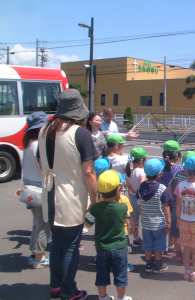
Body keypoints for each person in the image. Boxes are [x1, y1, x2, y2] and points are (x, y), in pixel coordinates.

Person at [38, 89, 97, 300]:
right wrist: (96, 197)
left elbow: (40, 162)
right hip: (70, 196)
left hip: (49, 193)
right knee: (71, 246)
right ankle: (68, 290)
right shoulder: (80, 134)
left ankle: (55, 286)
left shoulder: (44, 130)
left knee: (57, 245)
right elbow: (89, 172)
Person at [90, 170, 132, 300]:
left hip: (102, 247)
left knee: (102, 275)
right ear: (118, 189)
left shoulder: (95, 208)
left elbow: (87, 222)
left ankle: (102, 297)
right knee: (120, 275)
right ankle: (121, 297)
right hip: (119, 246)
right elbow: (128, 224)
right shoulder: (122, 208)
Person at [21, 111, 51, 269]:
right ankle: (39, 258)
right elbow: (44, 169)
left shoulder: (27, 143)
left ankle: (35, 253)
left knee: (36, 223)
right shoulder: (39, 144)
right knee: (42, 225)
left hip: (29, 189)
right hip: (40, 189)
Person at [138, 158, 171, 273]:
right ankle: (158, 264)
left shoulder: (141, 187)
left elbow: (140, 202)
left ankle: (148, 264)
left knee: (147, 243)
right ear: (159, 173)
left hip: (146, 222)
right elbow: (166, 207)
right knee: (158, 244)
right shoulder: (162, 189)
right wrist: (168, 222)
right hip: (159, 223)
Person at [170, 150, 195, 260]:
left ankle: (178, 253)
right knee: (190, 230)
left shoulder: (178, 174)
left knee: (177, 230)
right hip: (191, 208)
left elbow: (173, 188)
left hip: (177, 206)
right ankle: (191, 254)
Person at [158, 140, 183, 253]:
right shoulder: (179, 169)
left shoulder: (160, 167)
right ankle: (171, 243)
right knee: (172, 223)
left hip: (162, 199)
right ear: (177, 155)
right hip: (174, 200)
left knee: (163, 222)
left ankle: (162, 244)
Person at [126, 147, 148, 248]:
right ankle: (147, 238)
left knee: (134, 219)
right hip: (140, 199)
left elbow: (128, 184)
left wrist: (134, 191)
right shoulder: (142, 171)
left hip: (132, 197)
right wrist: (140, 192)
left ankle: (136, 238)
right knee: (145, 219)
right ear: (142, 160)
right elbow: (143, 182)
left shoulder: (130, 171)